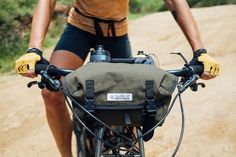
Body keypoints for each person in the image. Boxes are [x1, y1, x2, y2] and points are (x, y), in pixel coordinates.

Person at [15, 0, 220, 157]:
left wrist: (199, 51)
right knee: (50, 92)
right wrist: (34, 49)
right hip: (79, 29)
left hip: (117, 32)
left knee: (133, 103)